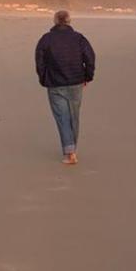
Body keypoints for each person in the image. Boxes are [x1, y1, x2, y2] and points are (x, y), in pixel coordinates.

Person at [35, 9, 95, 165]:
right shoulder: (78, 38)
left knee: (63, 117)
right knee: (73, 117)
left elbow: (39, 62)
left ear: (55, 21)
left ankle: (70, 151)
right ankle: (71, 149)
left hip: (57, 84)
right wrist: (87, 77)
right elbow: (90, 58)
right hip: (73, 82)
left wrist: (44, 78)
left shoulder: (46, 39)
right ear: (69, 21)